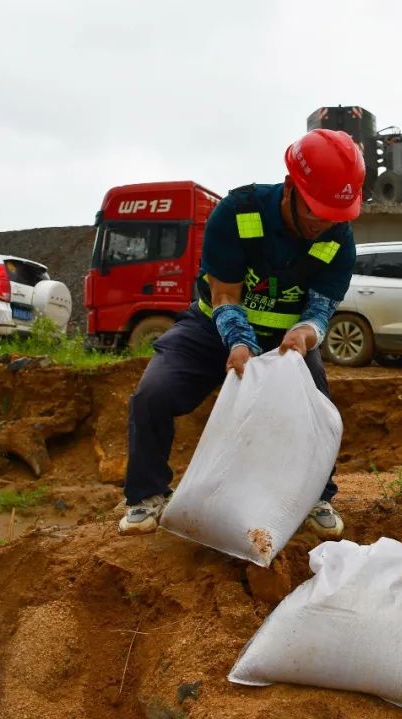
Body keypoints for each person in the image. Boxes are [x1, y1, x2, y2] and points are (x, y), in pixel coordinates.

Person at [118, 128, 364, 538]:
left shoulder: (339, 236)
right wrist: (238, 341)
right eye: (316, 211)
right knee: (153, 394)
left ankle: (317, 496)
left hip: (289, 341)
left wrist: (306, 333)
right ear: (291, 188)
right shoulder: (238, 212)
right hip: (213, 327)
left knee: (316, 407)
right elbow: (224, 294)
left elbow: (321, 306)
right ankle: (146, 496)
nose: (323, 224)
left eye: (335, 215)